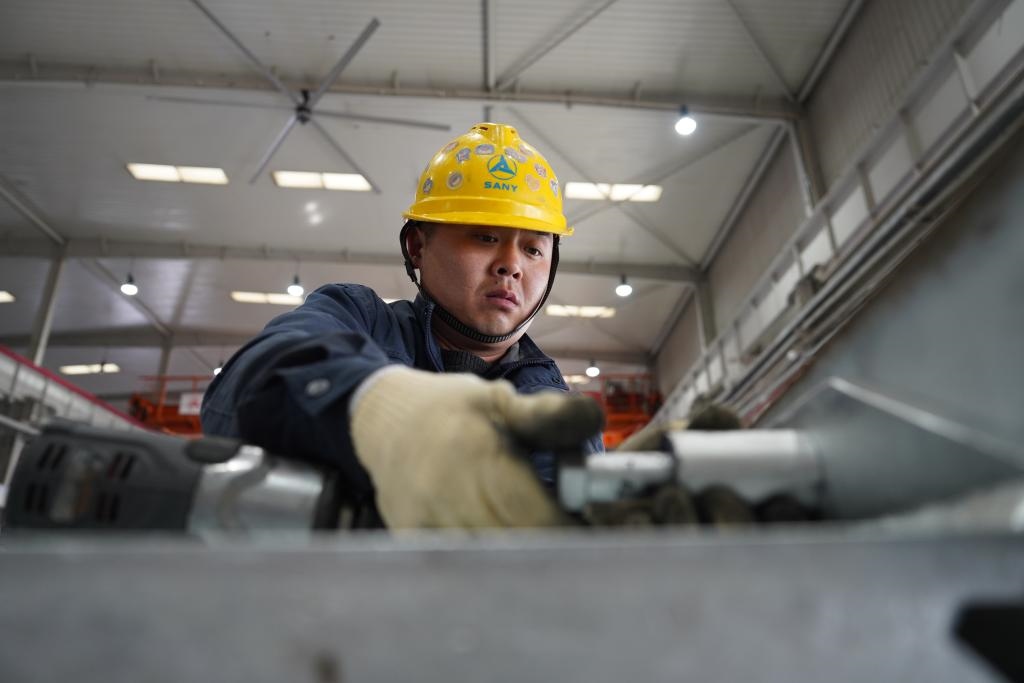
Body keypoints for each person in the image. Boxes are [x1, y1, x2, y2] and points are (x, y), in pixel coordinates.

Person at [201, 123, 605, 530]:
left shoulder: (558, 415)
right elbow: (245, 385)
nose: (511, 266)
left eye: (533, 249)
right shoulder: (355, 317)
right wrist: (374, 404)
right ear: (417, 246)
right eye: (485, 237)